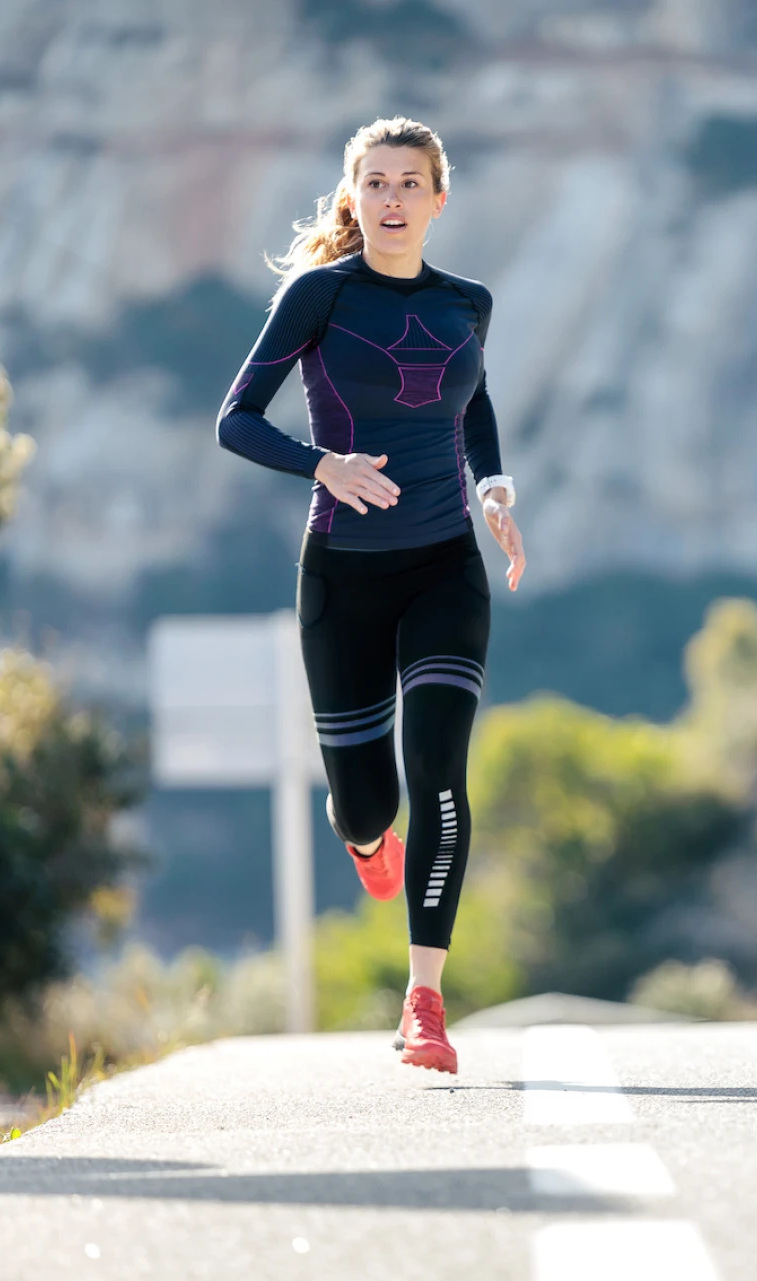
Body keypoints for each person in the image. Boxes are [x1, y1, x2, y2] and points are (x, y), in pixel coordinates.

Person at [216, 116, 525, 1075]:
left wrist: (493, 486)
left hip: (444, 566)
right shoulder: (322, 294)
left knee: (440, 776)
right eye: (375, 183)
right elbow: (235, 420)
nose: (391, 199)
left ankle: (425, 1001)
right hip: (343, 575)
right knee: (367, 802)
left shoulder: (467, 301)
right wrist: (324, 465)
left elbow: (469, 402)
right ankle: (362, 836)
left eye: (409, 183)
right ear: (354, 197)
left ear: (440, 198)